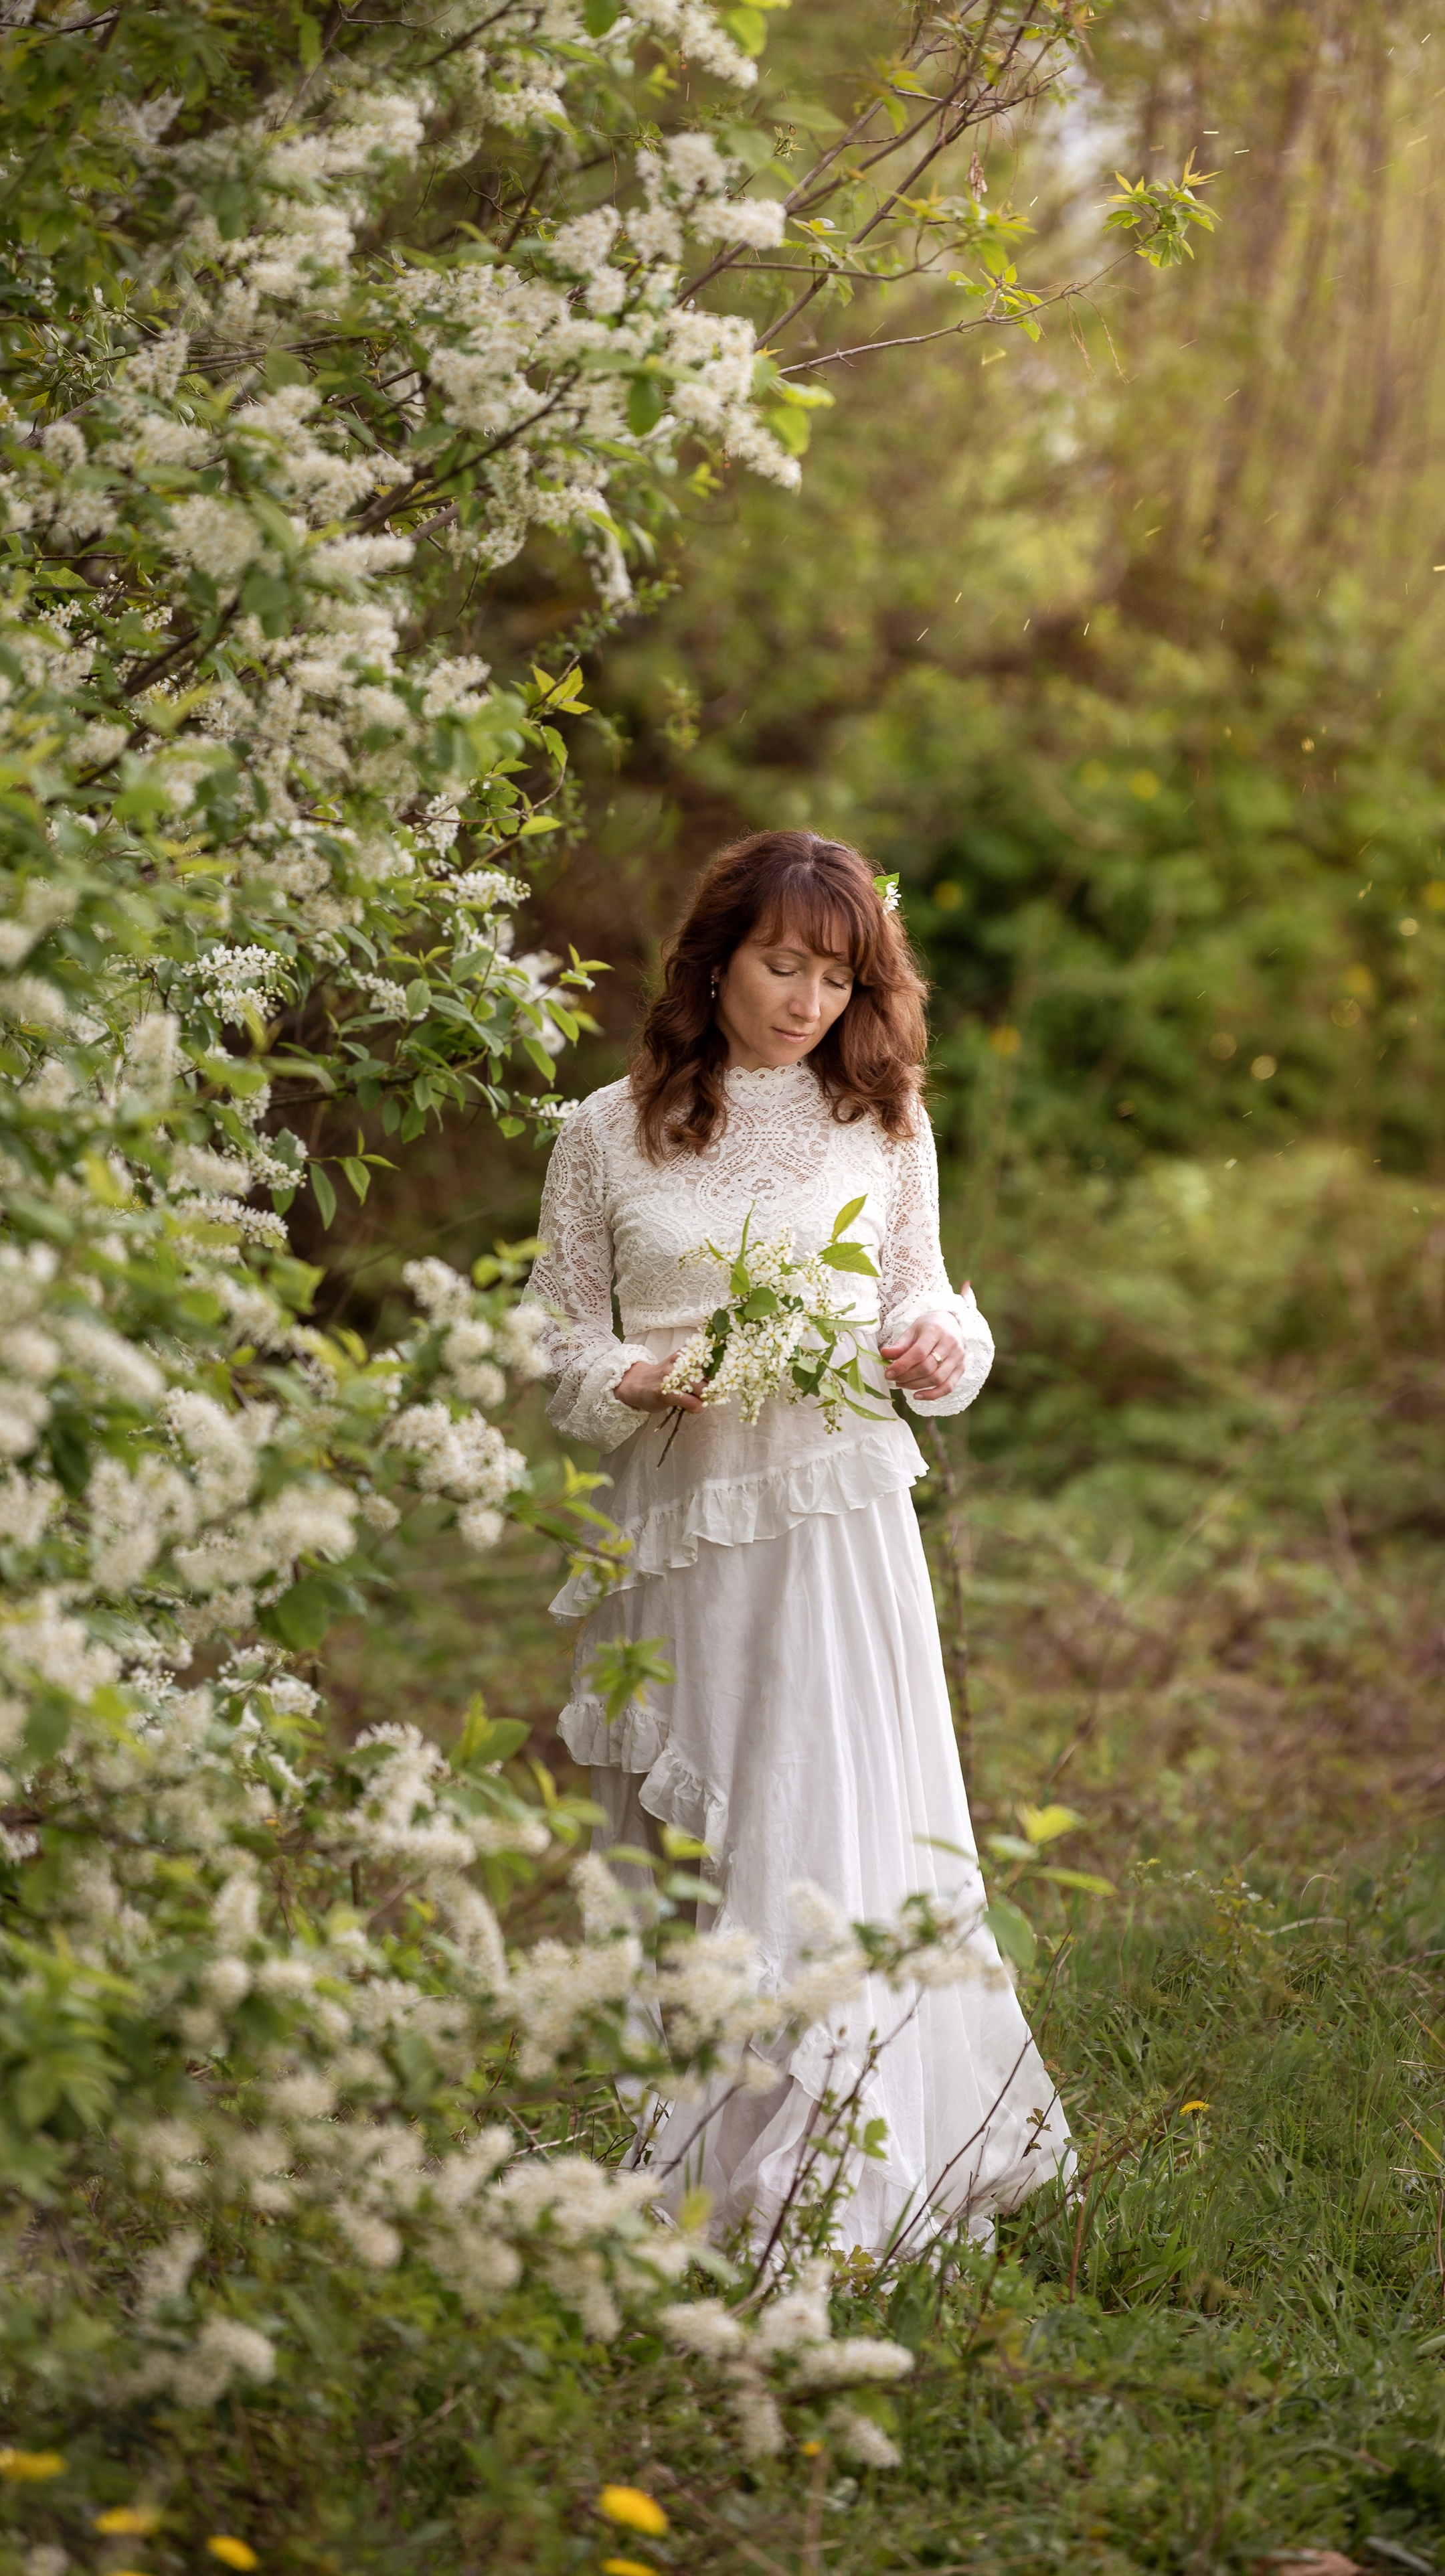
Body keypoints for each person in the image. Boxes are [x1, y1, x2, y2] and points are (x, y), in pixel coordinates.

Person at [527, 829, 1072, 2257]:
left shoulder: (879, 1123)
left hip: (831, 1516)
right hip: (674, 1524)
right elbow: (553, 1347)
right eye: (782, 965)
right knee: (700, 1840)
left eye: (835, 978)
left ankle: (834, 2166)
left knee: (821, 1816)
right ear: (711, 963)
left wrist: (930, 1340)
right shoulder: (600, 1135)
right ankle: (706, 2142)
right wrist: (635, 1378)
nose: (807, 1002)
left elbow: (938, 1325)